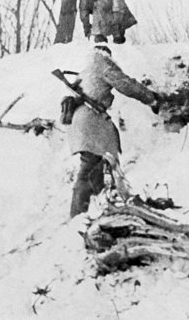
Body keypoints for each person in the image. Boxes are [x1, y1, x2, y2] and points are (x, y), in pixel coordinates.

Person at [67, 44, 159, 217]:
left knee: (96, 166)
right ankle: (78, 215)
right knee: (88, 168)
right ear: (106, 54)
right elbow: (125, 84)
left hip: (84, 118)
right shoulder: (103, 64)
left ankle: (99, 209)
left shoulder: (87, 69)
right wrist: (151, 99)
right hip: (91, 119)